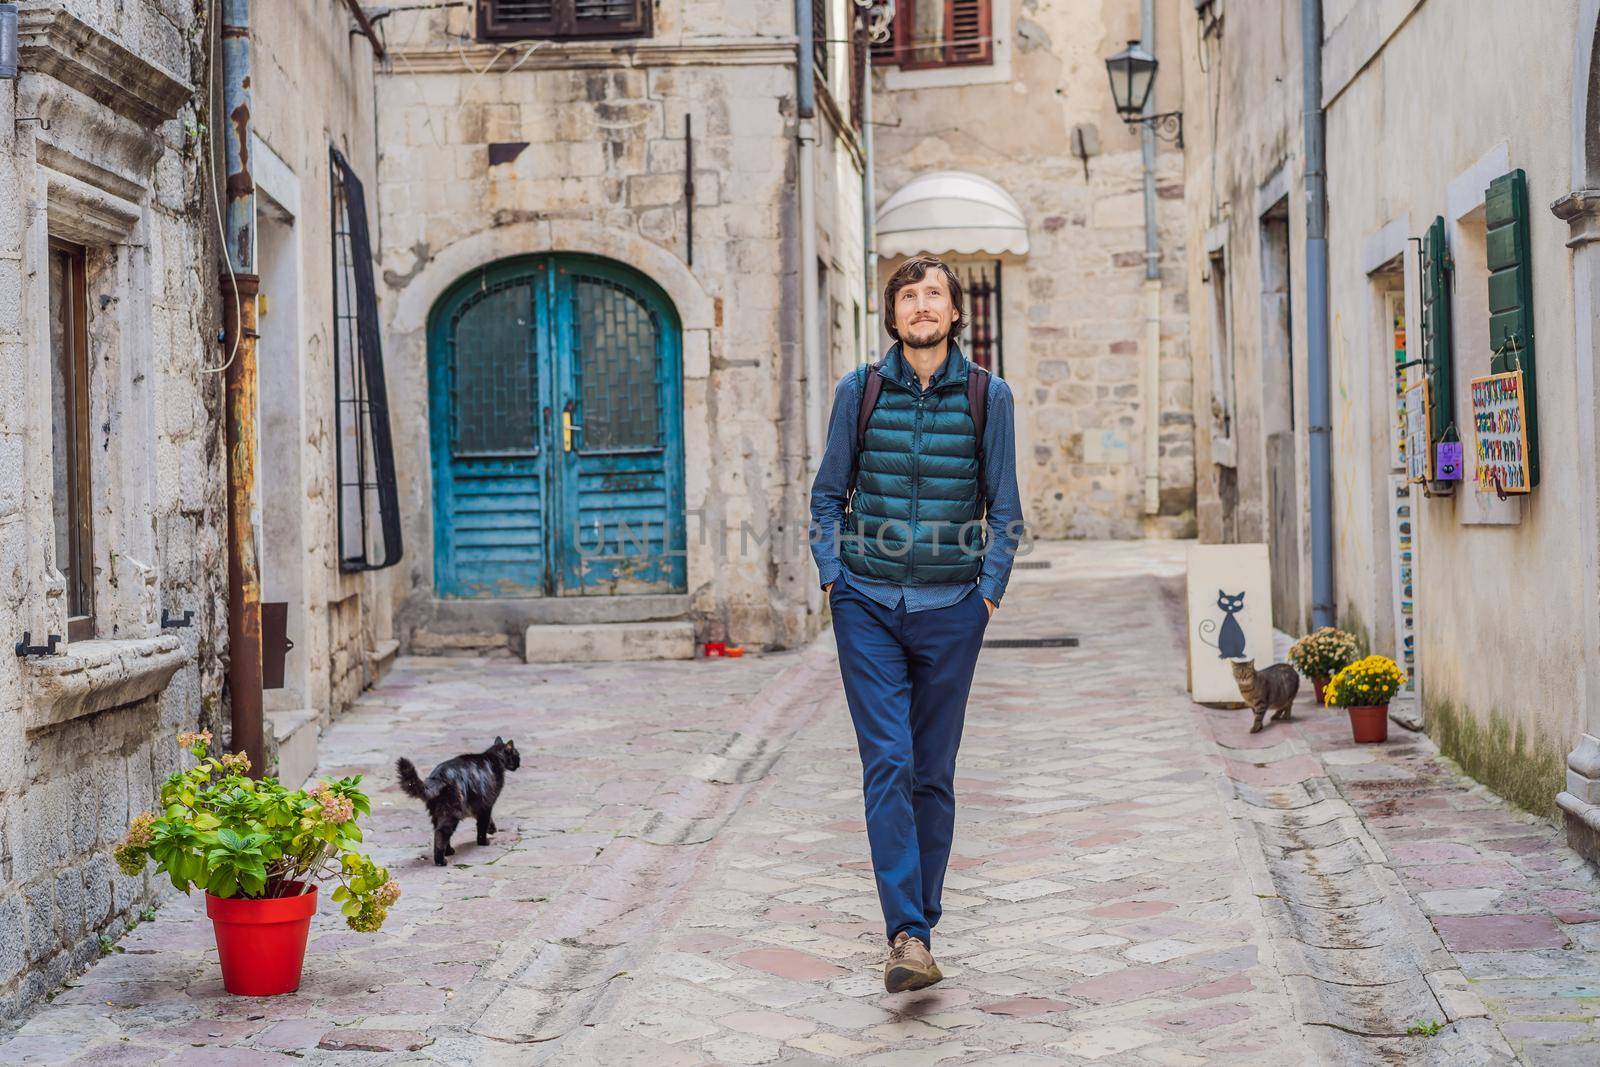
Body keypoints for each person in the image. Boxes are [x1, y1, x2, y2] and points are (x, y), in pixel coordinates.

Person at [809, 255, 1023, 992]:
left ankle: (919, 925)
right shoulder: (859, 391)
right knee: (889, 763)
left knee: (932, 774)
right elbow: (827, 495)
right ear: (893, 314)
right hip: (866, 604)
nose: (922, 306)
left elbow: (1007, 510)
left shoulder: (989, 397)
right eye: (909, 295)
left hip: (950, 609)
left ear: (955, 312)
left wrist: (984, 596)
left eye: (935, 294)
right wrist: (834, 578)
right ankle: (905, 931)